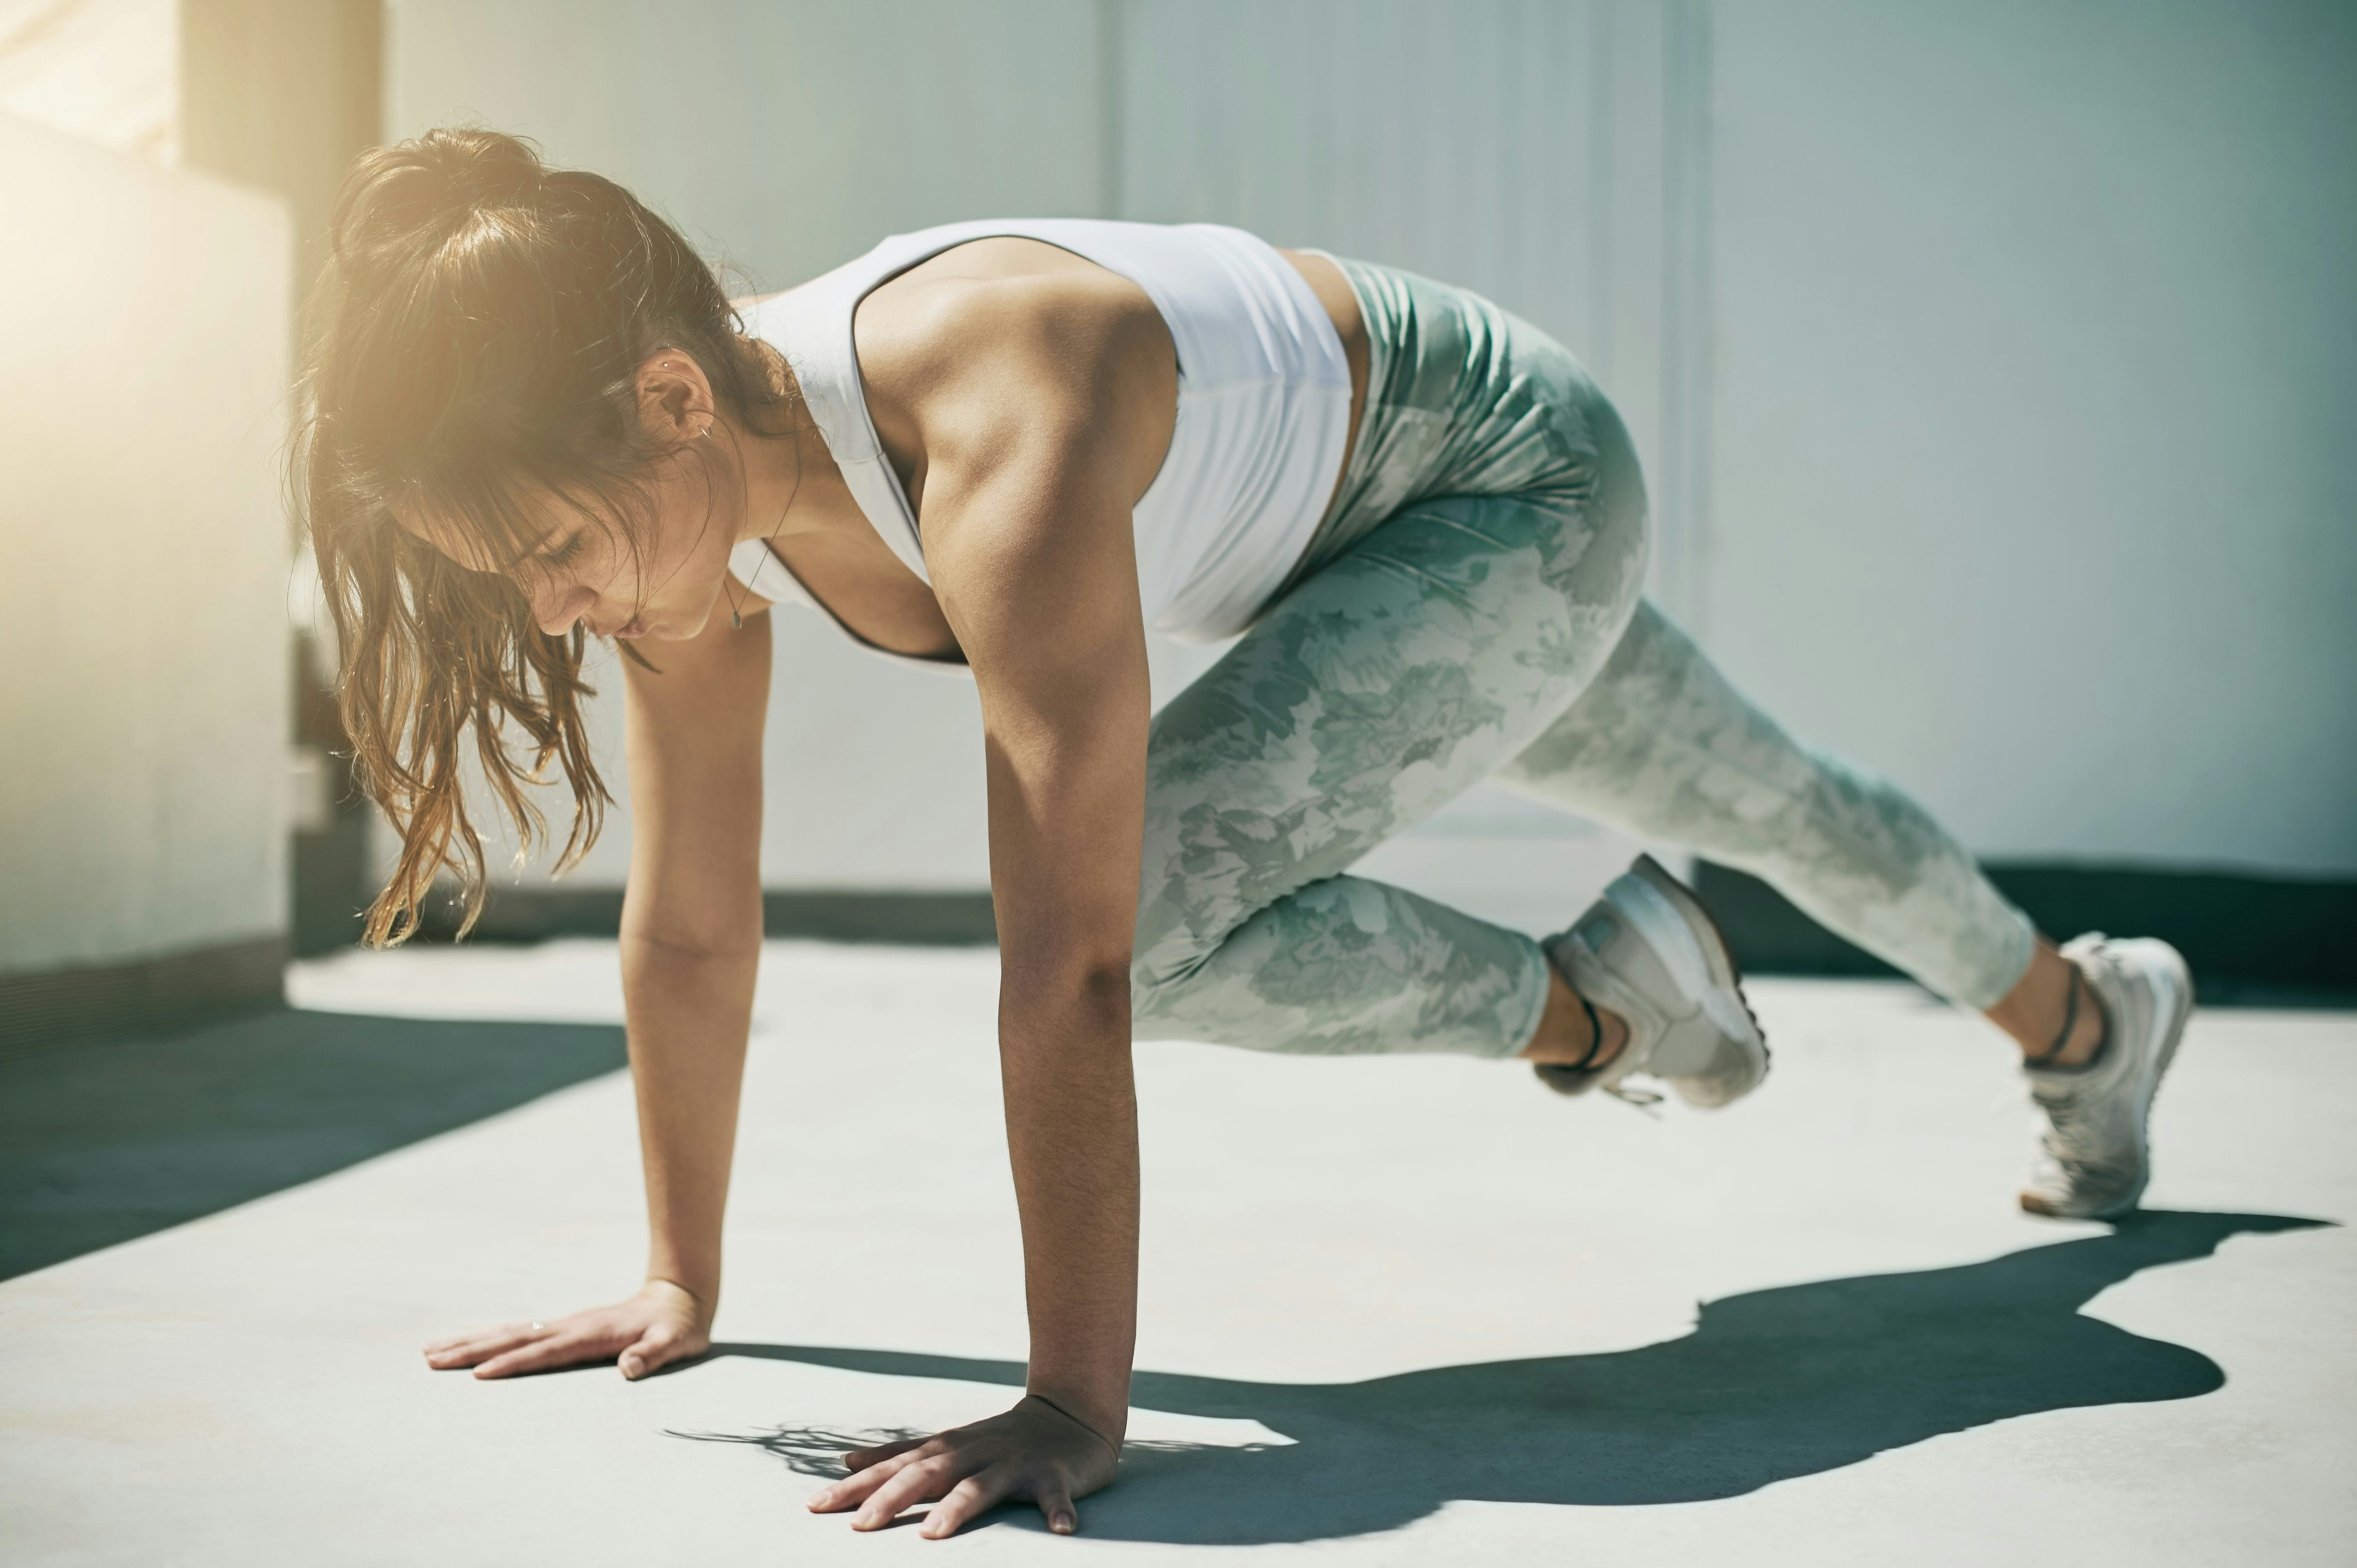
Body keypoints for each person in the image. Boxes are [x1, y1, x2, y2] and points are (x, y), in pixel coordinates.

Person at [301, 129, 2192, 1539]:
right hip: (1350, 569)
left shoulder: (985, 408)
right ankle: (2092, 1026)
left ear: (669, 399)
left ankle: (1610, 1006)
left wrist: (1068, 1402)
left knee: (1178, 906)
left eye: (551, 550)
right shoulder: (690, 525)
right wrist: (678, 1280)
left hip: (1510, 481)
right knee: (1770, 800)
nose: (552, 609)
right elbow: (697, 922)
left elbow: (1077, 962)